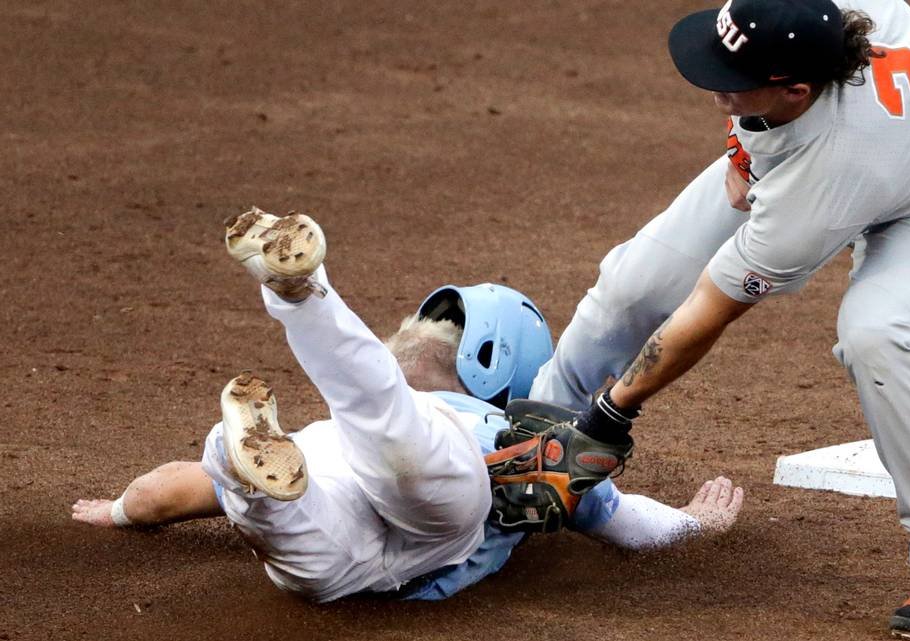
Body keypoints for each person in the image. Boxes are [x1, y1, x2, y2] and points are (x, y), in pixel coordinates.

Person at [527, 0, 910, 638]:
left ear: (793, 89)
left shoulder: (823, 181)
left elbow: (709, 305)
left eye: (731, 78)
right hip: (829, 149)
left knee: (875, 336)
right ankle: (531, 434)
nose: (711, 84)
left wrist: (610, 416)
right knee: (633, 284)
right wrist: (740, 141)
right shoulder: (823, 19)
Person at [71, 208, 744, 603]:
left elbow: (164, 493)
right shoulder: (497, 422)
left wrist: (121, 509)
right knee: (393, 424)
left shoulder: (322, 433)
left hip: (330, 492)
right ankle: (298, 300)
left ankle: (283, 336)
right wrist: (693, 523)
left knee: (281, 487)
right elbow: (627, 525)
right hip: (437, 506)